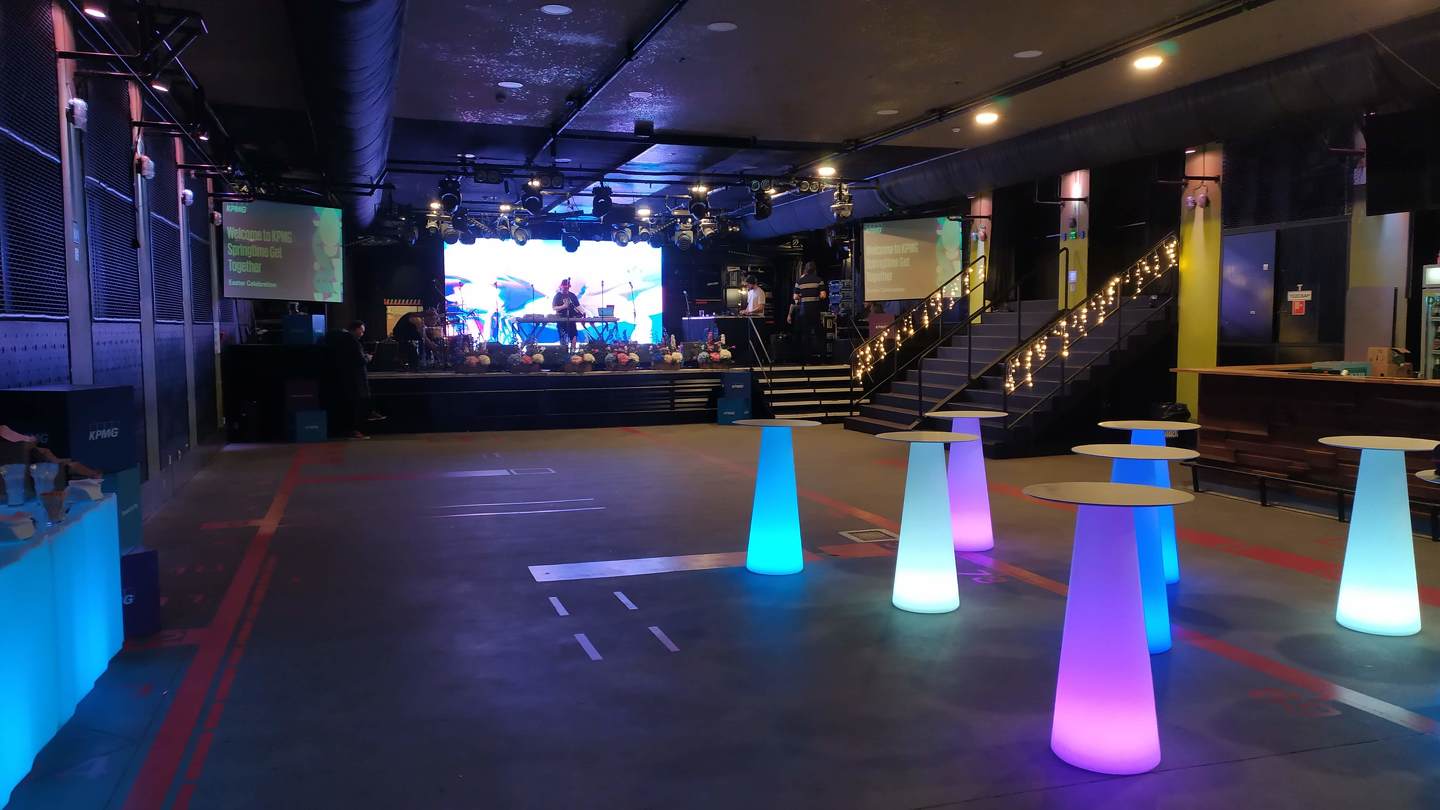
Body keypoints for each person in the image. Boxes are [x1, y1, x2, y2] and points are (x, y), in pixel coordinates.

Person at [327, 319, 374, 439]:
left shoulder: (339, 339)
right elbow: (360, 360)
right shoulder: (352, 341)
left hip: (344, 378)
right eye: (361, 331)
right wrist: (368, 358)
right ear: (356, 329)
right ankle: (354, 430)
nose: (362, 334)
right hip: (355, 379)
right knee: (355, 406)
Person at [794, 261, 828, 362]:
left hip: (804, 310)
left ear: (805, 269)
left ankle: (807, 359)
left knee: (805, 334)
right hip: (815, 310)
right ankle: (822, 358)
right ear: (814, 270)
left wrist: (802, 295)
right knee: (819, 334)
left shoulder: (799, 281)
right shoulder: (818, 280)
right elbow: (823, 295)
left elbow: (795, 297)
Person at [552, 278, 584, 352]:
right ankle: (564, 353)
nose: (565, 289)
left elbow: (578, 306)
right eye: (564, 287)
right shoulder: (558, 296)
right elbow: (554, 308)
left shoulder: (572, 295)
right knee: (563, 338)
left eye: (567, 288)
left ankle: (573, 352)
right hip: (561, 319)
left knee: (574, 336)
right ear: (561, 286)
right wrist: (563, 306)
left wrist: (583, 312)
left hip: (571, 319)